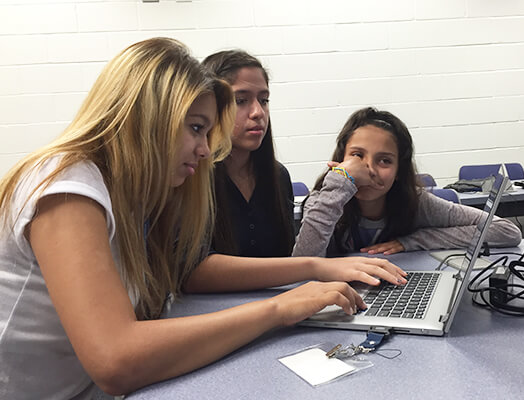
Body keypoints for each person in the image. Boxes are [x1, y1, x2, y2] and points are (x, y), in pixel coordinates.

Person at [0, 39, 406, 399]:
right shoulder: (68, 185)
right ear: (149, 116)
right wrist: (278, 309)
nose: (204, 149)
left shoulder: (131, 195)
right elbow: (115, 361)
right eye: (196, 128)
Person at [293, 107, 522, 257]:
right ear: (340, 160)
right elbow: (301, 265)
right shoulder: (323, 201)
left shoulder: (418, 203)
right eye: (357, 156)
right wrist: (340, 184)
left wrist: (413, 241)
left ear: (399, 171)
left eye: (384, 160)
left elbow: (506, 231)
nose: (369, 170)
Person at [200, 50, 294, 257]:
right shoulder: (192, 176)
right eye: (240, 101)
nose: (258, 112)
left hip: (281, 290)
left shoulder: (278, 175)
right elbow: (193, 271)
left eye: (264, 100)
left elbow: (287, 255)